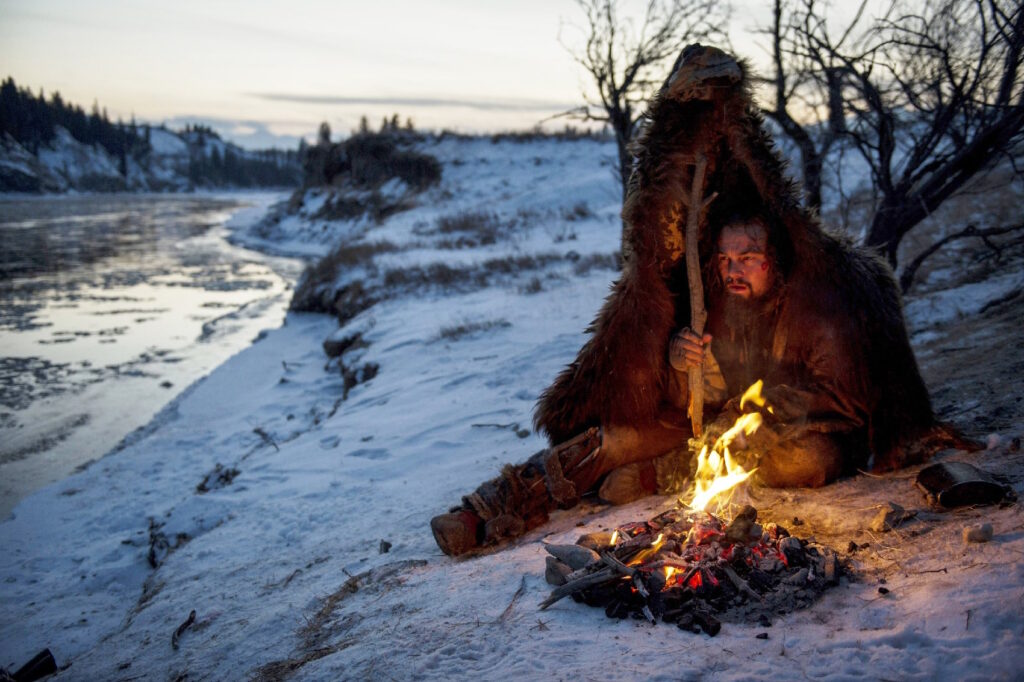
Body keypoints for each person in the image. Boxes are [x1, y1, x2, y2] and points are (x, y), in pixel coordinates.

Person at [431, 44, 965, 558]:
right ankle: (487, 513)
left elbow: (844, 403)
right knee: (608, 439)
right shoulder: (714, 295)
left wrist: (751, 414)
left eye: (749, 256)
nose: (734, 269)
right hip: (707, 428)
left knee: (807, 459)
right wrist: (682, 364)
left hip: (793, 438)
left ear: (774, 257)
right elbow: (684, 396)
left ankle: (656, 476)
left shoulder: (818, 303)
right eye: (726, 258)